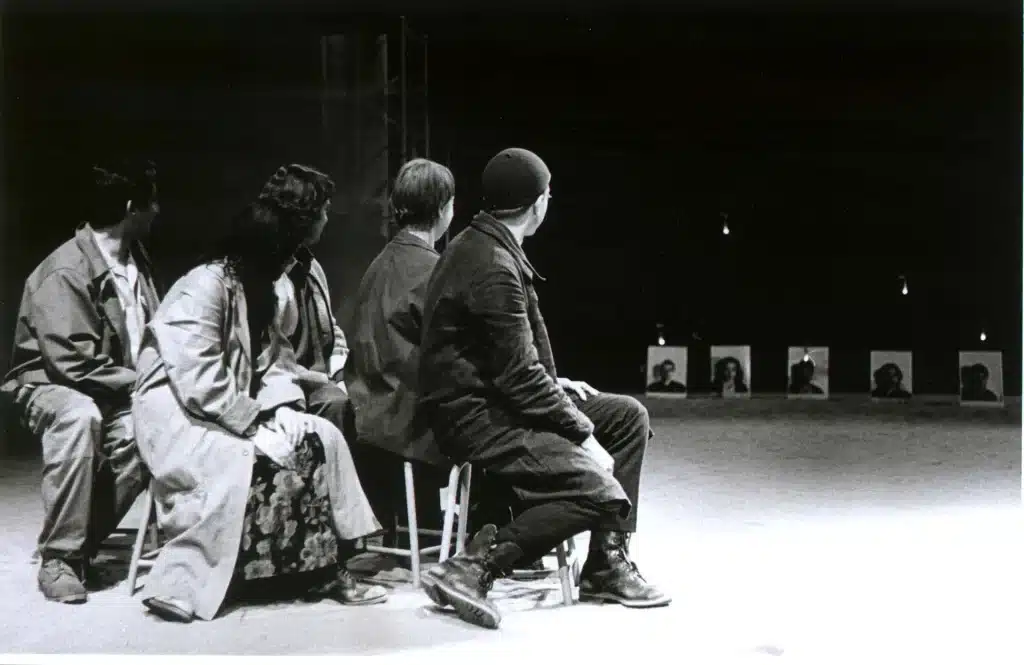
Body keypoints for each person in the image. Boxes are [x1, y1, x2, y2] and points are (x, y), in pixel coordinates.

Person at [417, 148, 669, 630]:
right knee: (602, 491)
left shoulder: (481, 243)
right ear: (536, 205)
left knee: (627, 416)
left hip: (494, 400)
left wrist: (557, 387)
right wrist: (582, 435)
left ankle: (605, 566)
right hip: (479, 417)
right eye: (548, 194)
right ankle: (474, 567)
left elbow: (505, 360)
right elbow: (517, 378)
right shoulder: (490, 264)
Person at [130, 166, 387, 623]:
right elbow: (199, 378)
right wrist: (256, 422)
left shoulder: (259, 288)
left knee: (318, 436)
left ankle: (322, 569)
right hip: (180, 415)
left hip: (224, 407)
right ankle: (187, 583)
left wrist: (284, 409)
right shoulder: (204, 285)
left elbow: (273, 362)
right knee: (255, 456)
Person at [1, 160, 161, 604]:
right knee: (79, 417)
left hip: (113, 383)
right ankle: (60, 559)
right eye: (153, 203)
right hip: (49, 385)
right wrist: (144, 382)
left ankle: (79, 543)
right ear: (132, 208)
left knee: (149, 426)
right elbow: (72, 364)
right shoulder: (67, 271)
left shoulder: (134, 262)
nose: (158, 211)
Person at [346, 158, 455, 520]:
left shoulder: (377, 264)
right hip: (409, 423)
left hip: (371, 412)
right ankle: (494, 529)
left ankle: (436, 522)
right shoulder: (433, 269)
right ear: (443, 209)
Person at [271, 165, 351, 431]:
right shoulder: (270, 277)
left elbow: (331, 326)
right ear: (305, 216)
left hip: (323, 380)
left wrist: (340, 371)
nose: (327, 219)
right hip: (287, 390)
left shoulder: (312, 267)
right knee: (336, 403)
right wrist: (324, 380)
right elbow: (268, 361)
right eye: (324, 211)